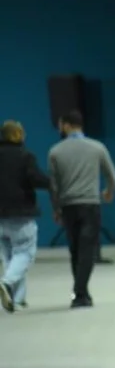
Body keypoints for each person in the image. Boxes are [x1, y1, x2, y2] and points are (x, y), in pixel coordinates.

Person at [48, 110, 115, 308]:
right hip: (90, 204)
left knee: (75, 249)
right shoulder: (97, 148)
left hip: (69, 206)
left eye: (61, 124)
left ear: (67, 125)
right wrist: (109, 192)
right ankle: (81, 292)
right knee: (88, 248)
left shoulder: (55, 151)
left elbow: (53, 185)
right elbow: (112, 175)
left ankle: (81, 292)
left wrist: (56, 208)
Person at [0, 120, 51, 312]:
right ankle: (6, 283)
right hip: (19, 213)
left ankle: (18, 299)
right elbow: (36, 178)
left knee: (9, 256)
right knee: (24, 252)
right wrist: (53, 183)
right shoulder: (25, 156)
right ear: (18, 135)